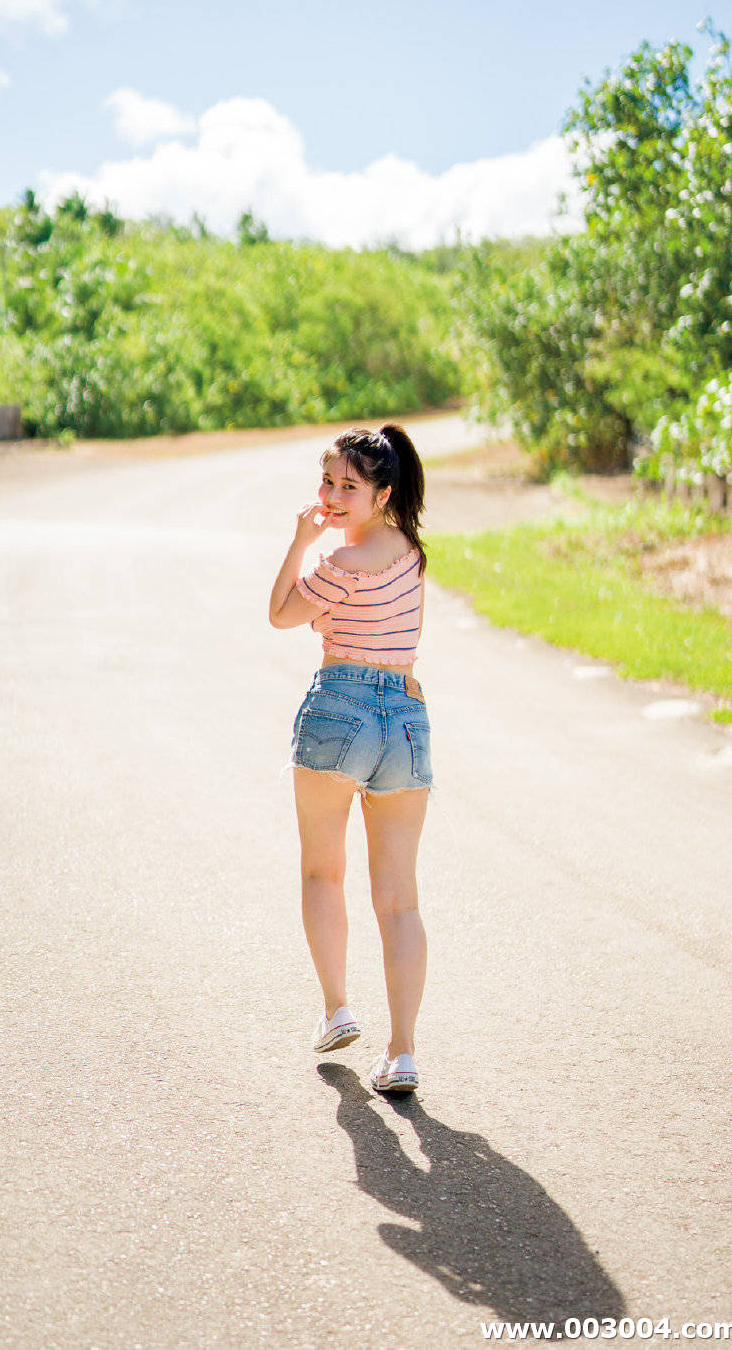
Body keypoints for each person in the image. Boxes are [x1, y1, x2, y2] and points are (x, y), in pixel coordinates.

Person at [268, 423, 431, 1094]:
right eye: (328, 482)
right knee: (399, 901)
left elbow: (281, 613)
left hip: (340, 707)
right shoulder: (412, 553)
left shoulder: (342, 563)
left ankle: (337, 1008)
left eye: (348, 487)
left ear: (382, 492)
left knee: (321, 869)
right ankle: (402, 1052)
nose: (332, 497)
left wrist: (303, 542)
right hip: (408, 717)